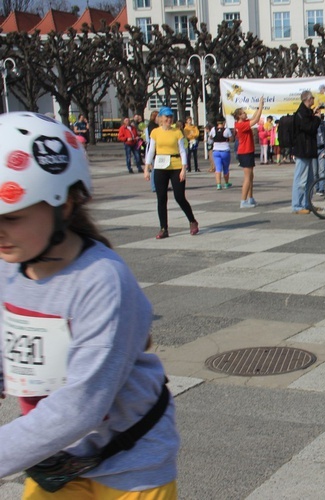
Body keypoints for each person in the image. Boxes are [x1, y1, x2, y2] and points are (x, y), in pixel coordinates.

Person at [0, 112, 179, 497]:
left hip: (132, 463)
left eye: (11, 217)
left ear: (63, 205)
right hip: (58, 458)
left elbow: (80, 405)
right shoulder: (8, 268)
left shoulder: (101, 280)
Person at [144, 107, 199, 239]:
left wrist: (184, 169)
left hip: (175, 166)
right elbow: (151, 150)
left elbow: (182, 151)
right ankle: (164, 228)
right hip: (160, 166)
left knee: (179, 197)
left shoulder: (177, 132)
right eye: (166, 117)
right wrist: (147, 167)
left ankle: (192, 221)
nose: (168, 120)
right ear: (161, 119)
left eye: (170, 117)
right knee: (161, 198)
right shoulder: (155, 132)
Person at [291, 90, 322, 214]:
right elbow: (309, 127)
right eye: (312, 98)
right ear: (308, 99)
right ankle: (297, 205)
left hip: (308, 150)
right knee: (301, 180)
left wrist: (314, 115)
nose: (314, 100)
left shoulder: (306, 113)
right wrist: (317, 119)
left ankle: (307, 203)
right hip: (302, 150)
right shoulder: (300, 113)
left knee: (309, 180)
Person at [234, 98, 265, 208]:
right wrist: (261, 106)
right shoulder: (240, 125)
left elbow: (253, 117)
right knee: (247, 177)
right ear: (239, 116)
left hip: (248, 151)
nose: (245, 113)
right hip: (245, 152)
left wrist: (258, 107)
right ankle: (243, 201)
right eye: (243, 113)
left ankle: (250, 198)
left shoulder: (243, 122)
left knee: (251, 176)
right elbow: (256, 120)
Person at [209, 117, 233, 190]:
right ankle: (226, 183)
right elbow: (231, 139)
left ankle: (218, 184)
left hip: (216, 151)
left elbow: (210, 137)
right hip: (225, 150)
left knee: (218, 168)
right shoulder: (227, 130)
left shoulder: (213, 129)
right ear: (223, 123)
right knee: (226, 168)